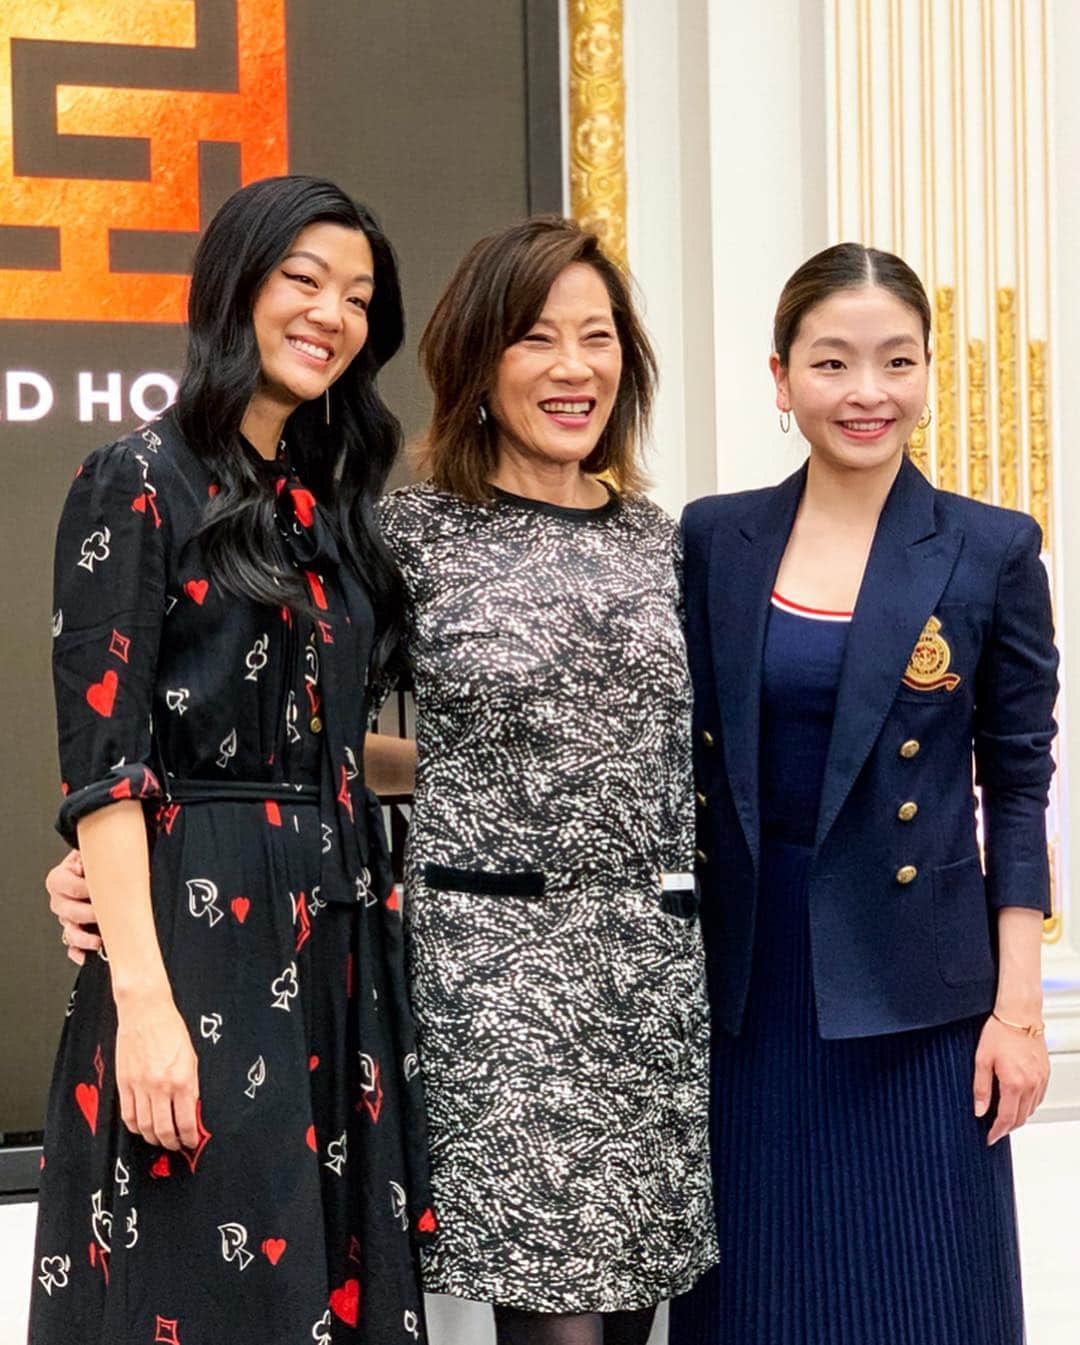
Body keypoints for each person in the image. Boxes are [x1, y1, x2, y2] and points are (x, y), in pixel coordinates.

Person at [31, 175, 433, 1345]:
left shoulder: (324, 508)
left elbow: (328, 736)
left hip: (335, 934)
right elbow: (105, 763)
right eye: (304, 280)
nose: (331, 314)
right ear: (236, 287)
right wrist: (145, 1006)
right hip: (200, 951)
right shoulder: (135, 478)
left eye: (357, 296)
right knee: (206, 1291)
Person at [669, 242, 1058, 1345]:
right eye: (832, 361)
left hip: (921, 995)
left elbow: (1017, 786)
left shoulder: (988, 548)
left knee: (923, 1297)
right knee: (758, 1299)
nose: (866, 391)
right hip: (749, 982)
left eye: (897, 360)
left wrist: (1018, 1014)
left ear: (929, 371)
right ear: (781, 375)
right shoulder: (717, 537)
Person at [372, 216, 717, 1345]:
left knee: (633, 1319)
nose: (575, 367)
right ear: (477, 360)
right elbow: (319, 737)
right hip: (499, 973)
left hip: (651, 970)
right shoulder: (412, 536)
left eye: (598, 336)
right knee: (556, 1321)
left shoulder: (658, 540)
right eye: (536, 337)